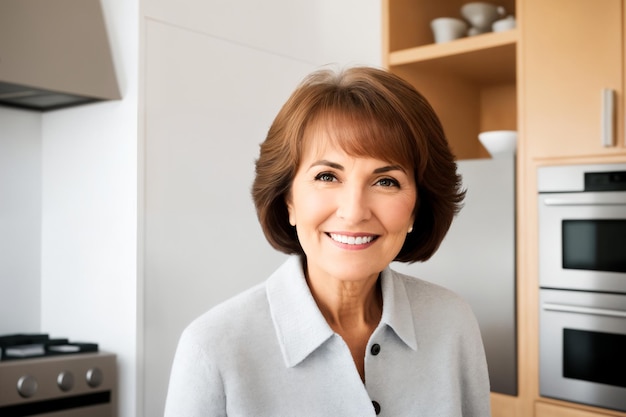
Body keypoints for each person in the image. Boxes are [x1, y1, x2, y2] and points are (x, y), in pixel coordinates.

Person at [164, 66, 491, 416]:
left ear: (416, 209)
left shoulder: (452, 322)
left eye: (386, 182)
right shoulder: (212, 348)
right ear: (288, 200)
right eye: (327, 176)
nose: (353, 212)